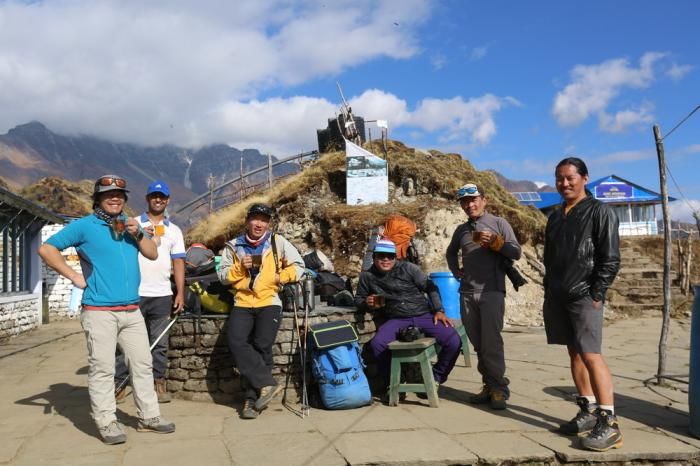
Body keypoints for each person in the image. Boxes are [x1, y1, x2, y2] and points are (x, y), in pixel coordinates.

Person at [38, 175, 175, 445]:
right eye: (108, 194)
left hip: (132, 309)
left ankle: (150, 416)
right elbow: (46, 248)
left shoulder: (129, 224)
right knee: (102, 369)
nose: (115, 198)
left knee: (143, 364)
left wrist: (138, 233)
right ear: (98, 199)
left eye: (120, 195)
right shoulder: (84, 226)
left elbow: (152, 253)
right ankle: (107, 422)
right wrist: (73, 276)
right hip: (100, 311)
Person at [543, 157, 622, 451]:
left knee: (591, 355)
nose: (564, 183)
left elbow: (610, 257)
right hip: (559, 294)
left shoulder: (600, 211)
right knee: (574, 354)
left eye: (570, 178)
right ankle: (587, 411)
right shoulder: (555, 215)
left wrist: (597, 293)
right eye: (559, 178)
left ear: (585, 178)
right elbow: (550, 257)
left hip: (585, 295)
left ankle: (609, 422)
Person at [218, 203, 304, 419]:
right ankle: (266, 384)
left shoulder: (277, 242)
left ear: (268, 223)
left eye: (264, 220)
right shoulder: (233, 246)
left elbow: (299, 266)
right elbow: (222, 276)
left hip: (269, 301)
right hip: (243, 301)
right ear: (247, 221)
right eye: (255, 218)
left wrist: (279, 277)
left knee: (262, 346)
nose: (259, 223)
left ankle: (251, 400)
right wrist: (240, 267)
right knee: (237, 342)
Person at [446, 182, 521, 410]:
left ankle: (499, 389)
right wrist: (454, 270)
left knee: (492, 344)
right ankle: (488, 385)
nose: (470, 205)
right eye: (465, 202)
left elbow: (516, 251)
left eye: (474, 199)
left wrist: (497, 243)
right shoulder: (461, 230)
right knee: (478, 345)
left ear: (484, 200)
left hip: (492, 291)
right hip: (467, 293)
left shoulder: (499, 223)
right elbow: (450, 252)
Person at [355, 239, 461, 397]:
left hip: (423, 314)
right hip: (396, 318)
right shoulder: (367, 276)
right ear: (375, 257)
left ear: (395, 257)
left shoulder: (409, 268)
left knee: (453, 341)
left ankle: (436, 377)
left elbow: (430, 286)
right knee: (377, 344)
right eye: (381, 256)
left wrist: (439, 310)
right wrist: (366, 302)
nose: (385, 259)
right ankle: (393, 381)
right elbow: (358, 300)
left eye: (390, 256)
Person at [114, 180, 186, 403]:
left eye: (162, 197)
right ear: (147, 198)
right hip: (132, 292)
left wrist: (180, 293)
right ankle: (120, 383)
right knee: (123, 341)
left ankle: (158, 382)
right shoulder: (132, 223)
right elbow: (118, 252)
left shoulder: (174, 231)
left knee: (160, 342)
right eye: (154, 196)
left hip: (162, 293)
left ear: (167, 200)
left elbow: (179, 263)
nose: (158, 200)